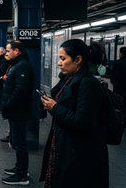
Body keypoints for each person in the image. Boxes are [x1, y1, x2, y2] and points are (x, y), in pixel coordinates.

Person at [40, 39, 108, 188]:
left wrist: (55, 107)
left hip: (80, 153)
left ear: (78, 60)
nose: (59, 63)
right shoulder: (69, 79)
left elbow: (83, 121)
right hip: (65, 145)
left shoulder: (88, 84)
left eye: (63, 59)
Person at [0, 40, 34, 185]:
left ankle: (21, 176)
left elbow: (20, 91)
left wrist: (6, 105)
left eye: (8, 51)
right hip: (16, 112)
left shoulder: (22, 66)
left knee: (20, 144)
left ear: (17, 51)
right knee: (18, 142)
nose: (7, 54)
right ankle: (19, 168)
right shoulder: (19, 65)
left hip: (18, 112)